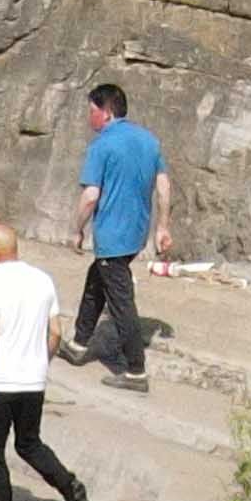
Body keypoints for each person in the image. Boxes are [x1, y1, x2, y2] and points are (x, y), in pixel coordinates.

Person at [0, 225, 87, 501]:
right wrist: (40, 363)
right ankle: (68, 484)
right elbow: (56, 333)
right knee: (29, 443)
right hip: (33, 382)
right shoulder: (42, 280)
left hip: (1, 383)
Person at [72, 79, 168, 381]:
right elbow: (163, 186)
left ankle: (135, 371)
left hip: (112, 235)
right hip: (136, 233)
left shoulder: (102, 145)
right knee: (96, 282)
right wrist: (162, 226)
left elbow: (90, 196)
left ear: (107, 112)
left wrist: (77, 229)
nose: (90, 117)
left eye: (92, 110)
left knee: (120, 302)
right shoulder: (149, 141)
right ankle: (78, 343)